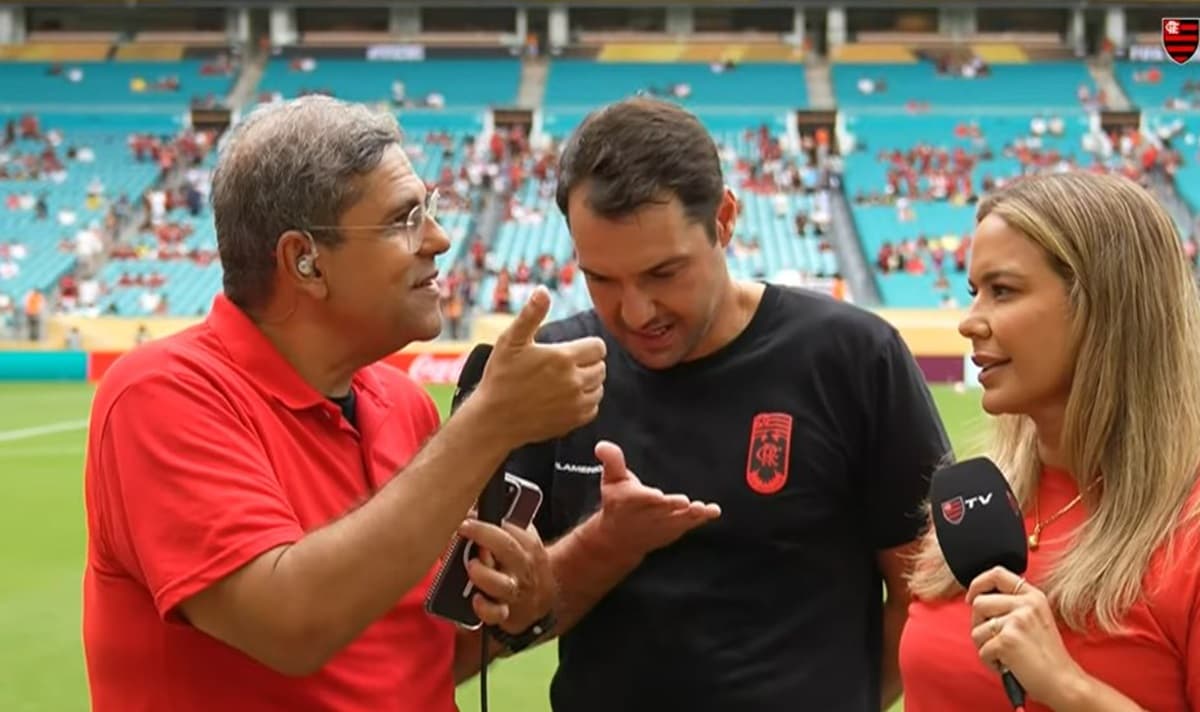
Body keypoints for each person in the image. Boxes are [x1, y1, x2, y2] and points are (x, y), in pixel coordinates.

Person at [81, 95, 608, 711]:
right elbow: (291, 626)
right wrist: (489, 422)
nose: (439, 239)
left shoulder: (405, 404)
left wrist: (536, 596)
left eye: (430, 210)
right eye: (403, 219)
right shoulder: (161, 393)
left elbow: (415, 659)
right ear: (304, 261)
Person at [503, 97, 952, 711]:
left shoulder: (853, 358)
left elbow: (922, 592)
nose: (635, 311)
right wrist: (604, 545)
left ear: (724, 219)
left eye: (664, 273)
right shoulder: (553, 372)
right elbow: (494, 627)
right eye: (601, 279)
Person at [900, 171, 1200, 710]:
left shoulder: (1187, 534)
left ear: (1104, 306)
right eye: (973, 292)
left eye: (1003, 291)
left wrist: (1068, 688)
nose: (969, 322)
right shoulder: (976, 502)